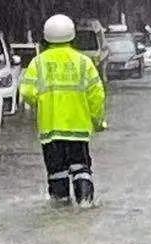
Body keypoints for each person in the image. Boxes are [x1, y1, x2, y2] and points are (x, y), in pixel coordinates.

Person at [19, 14, 106, 206]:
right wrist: (98, 120)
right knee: (81, 169)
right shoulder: (84, 62)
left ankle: (60, 208)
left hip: (51, 130)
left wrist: (40, 104)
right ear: (72, 35)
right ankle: (85, 206)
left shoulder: (38, 63)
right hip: (78, 129)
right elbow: (97, 95)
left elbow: (26, 92)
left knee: (56, 172)